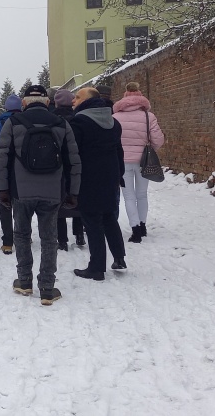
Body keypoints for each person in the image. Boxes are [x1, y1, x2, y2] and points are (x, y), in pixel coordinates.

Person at [0, 84, 80, 306]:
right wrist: (73, 191)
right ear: (48, 102)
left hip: (20, 190)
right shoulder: (62, 124)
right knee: (49, 238)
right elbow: (73, 160)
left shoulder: (13, 123)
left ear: (24, 103)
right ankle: (47, 288)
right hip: (52, 190)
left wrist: (2, 189)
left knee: (21, 235)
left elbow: (1, 158)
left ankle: (24, 281)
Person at [69, 88, 127, 281]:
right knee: (109, 215)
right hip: (110, 174)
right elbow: (119, 151)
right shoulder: (113, 122)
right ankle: (119, 257)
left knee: (92, 220)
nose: (73, 101)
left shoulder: (79, 122)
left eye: (77, 97)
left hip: (88, 176)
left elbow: (73, 154)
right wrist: (119, 174)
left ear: (88, 101)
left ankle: (96, 267)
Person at [113, 82, 165, 242]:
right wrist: (151, 148)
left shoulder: (115, 118)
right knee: (142, 195)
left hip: (123, 161)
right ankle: (143, 226)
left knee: (128, 196)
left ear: (124, 97)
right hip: (144, 160)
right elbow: (158, 139)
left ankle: (135, 230)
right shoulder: (149, 117)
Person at [0, 94, 22, 254]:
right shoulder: (26, 122)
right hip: (23, 172)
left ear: (6, 108)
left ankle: (7, 242)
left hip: (1, 171)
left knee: (5, 205)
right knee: (22, 207)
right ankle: (24, 237)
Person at [51, 90, 84, 250]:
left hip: (57, 164)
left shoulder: (52, 119)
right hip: (76, 162)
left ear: (56, 102)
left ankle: (62, 240)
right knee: (75, 196)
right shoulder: (78, 118)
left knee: (58, 201)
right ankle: (79, 235)